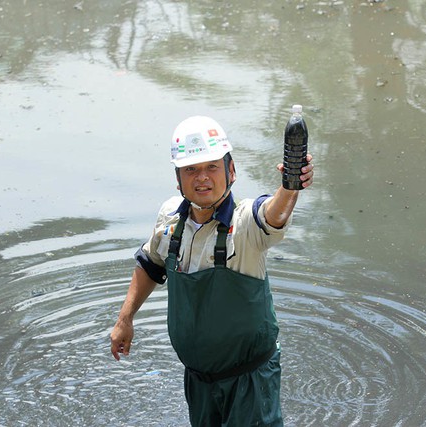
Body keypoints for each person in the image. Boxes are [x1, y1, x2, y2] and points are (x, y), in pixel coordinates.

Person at [110, 115, 314, 426]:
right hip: (198, 379)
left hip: (250, 383)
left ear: (231, 171)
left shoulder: (246, 223)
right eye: (191, 169)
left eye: (211, 167)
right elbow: (151, 264)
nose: (201, 177)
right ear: (178, 178)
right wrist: (125, 318)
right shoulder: (170, 219)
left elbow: (274, 213)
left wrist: (290, 186)